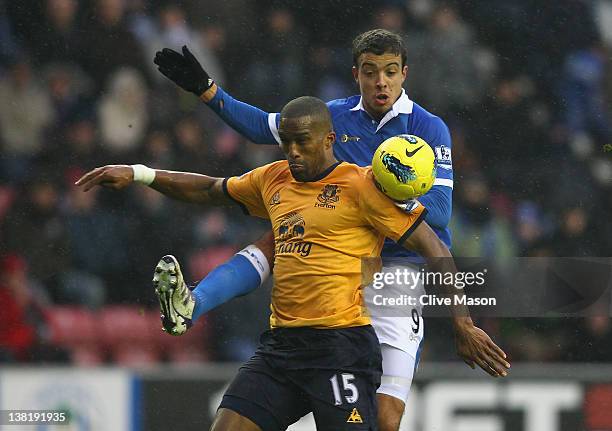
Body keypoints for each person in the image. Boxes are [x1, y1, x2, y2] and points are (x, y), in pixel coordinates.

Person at [76, 96, 509, 431]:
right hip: (281, 349)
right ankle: (193, 304)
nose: (294, 152)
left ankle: (193, 303)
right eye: (287, 142)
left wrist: (461, 324)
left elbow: (436, 249)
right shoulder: (273, 178)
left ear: (329, 139)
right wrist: (140, 173)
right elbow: (209, 189)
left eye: (303, 142)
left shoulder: (363, 187)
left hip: (340, 349)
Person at [153, 29, 498, 430]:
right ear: (357, 75)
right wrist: (208, 91)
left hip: (395, 270)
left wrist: (384, 185)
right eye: (370, 72)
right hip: (335, 253)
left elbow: (438, 213)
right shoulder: (330, 116)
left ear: (405, 74)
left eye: (389, 72)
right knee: (279, 237)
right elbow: (261, 127)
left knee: (385, 418)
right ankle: (192, 305)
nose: (380, 82)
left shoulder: (428, 128)